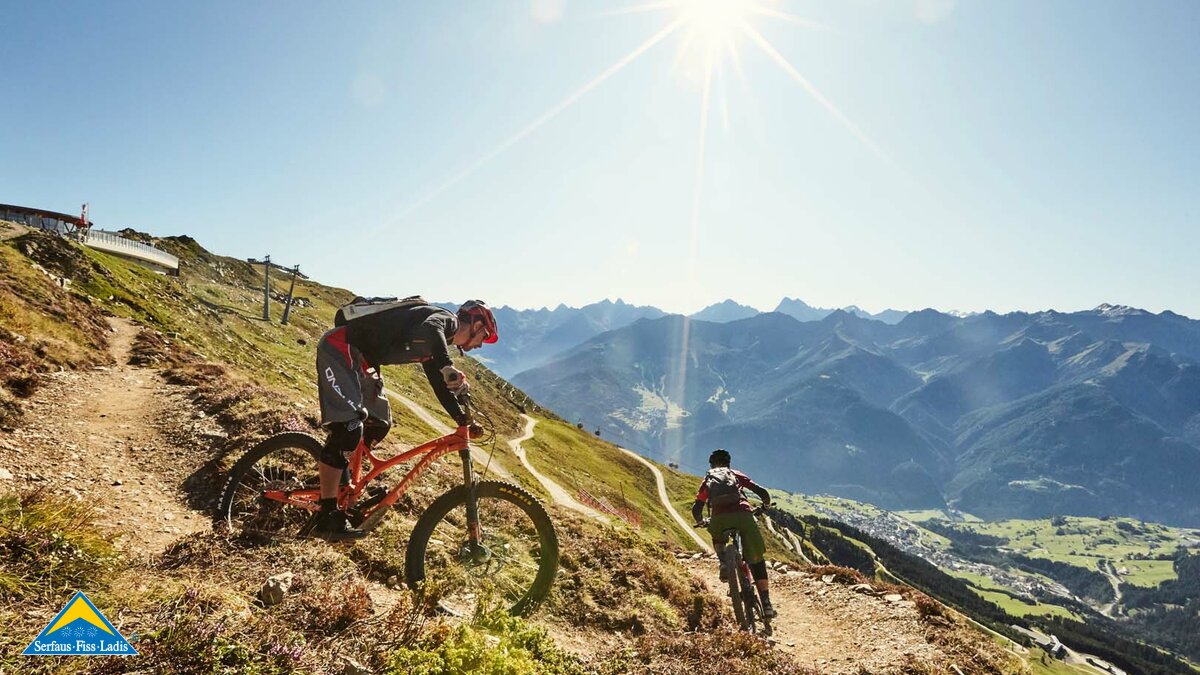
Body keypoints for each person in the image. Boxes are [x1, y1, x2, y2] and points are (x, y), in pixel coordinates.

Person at [307, 299, 498, 540]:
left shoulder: (432, 347)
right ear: (477, 324)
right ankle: (327, 516)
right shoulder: (445, 321)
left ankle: (345, 487)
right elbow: (432, 329)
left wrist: (462, 418)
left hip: (363, 361)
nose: (481, 345)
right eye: (485, 335)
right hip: (341, 347)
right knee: (348, 429)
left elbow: (439, 386)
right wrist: (447, 366)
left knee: (378, 425)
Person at [691, 448, 777, 618]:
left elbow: (697, 508)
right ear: (728, 463)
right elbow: (762, 492)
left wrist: (701, 522)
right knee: (757, 559)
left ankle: (724, 561)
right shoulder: (734, 474)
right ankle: (766, 604)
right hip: (743, 516)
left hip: (719, 519)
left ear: (711, 464)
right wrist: (765, 506)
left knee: (718, 536)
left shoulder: (708, 479)